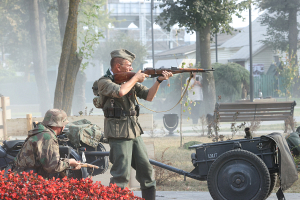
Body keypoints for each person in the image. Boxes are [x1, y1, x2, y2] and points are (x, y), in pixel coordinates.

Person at [97, 49, 173, 200]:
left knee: (146, 171)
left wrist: (158, 81)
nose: (132, 68)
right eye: (128, 65)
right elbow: (120, 92)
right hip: (118, 133)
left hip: (133, 130)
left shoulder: (128, 81)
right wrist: (136, 79)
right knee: (121, 175)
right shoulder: (104, 82)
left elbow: (149, 96)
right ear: (118, 67)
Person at [13, 109, 81, 178]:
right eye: (63, 124)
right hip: (30, 180)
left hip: (23, 175)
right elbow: (53, 167)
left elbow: (48, 160)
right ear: (58, 125)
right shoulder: (48, 137)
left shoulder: (40, 131)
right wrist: (70, 162)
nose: (64, 127)